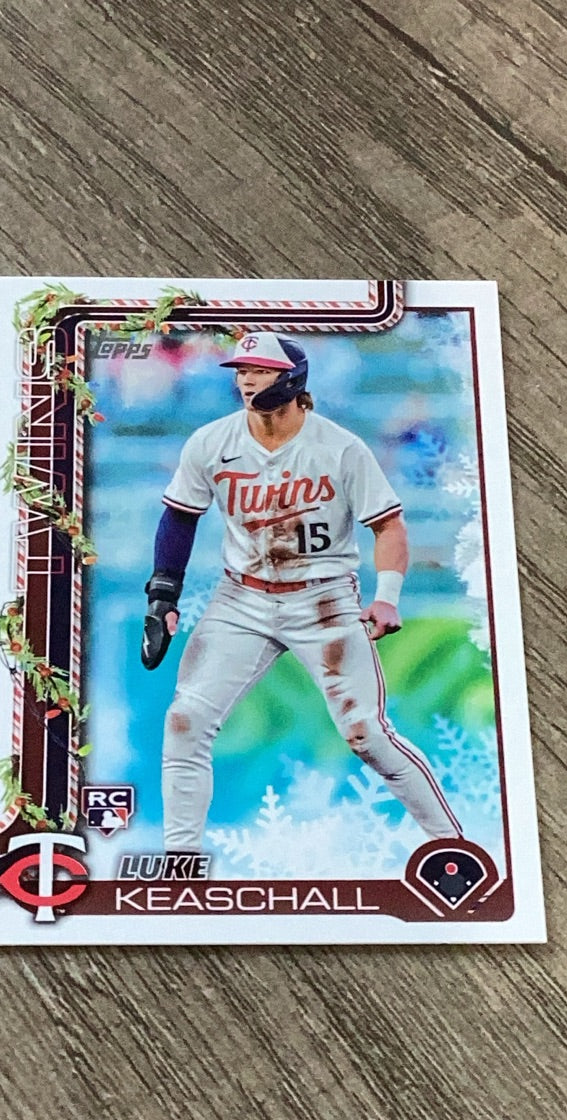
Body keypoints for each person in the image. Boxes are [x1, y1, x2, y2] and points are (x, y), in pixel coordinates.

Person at [142, 332, 462, 852]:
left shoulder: (339, 446)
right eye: (241, 370)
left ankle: (451, 848)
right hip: (241, 599)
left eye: (259, 370)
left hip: (323, 600)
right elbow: (179, 517)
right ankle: (182, 861)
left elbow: (388, 525)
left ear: (291, 379)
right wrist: (163, 595)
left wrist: (387, 595)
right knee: (184, 720)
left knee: (366, 734)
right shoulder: (210, 441)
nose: (246, 380)